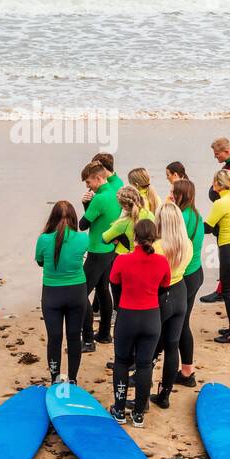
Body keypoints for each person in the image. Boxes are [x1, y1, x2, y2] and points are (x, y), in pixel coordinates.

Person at [108, 219, 170, 427]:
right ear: (154, 238)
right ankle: (138, 414)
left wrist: (119, 305)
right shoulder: (162, 261)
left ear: (134, 237)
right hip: (151, 318)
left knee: (121, 362)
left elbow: (113, 284)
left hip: (128, 316)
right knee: (144, 365)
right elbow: (164, 288)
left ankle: (119, 409)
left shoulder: (122, 260)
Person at [35, 200, 90, 384]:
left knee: (55, 338)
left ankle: (55, 379)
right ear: (74, 218)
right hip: (77, 293)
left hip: (52, 294)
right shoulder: (83, 238)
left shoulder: (43, 239)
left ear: (53, 217)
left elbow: (40, 262)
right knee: (75, 337)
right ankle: (73, 380)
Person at [151, 203, 193, 409]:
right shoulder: (187, 244)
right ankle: (164, 395)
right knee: (172, 346)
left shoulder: (157, 247)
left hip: (162, 296)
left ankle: (142, 389)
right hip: (180, 292)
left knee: (150, 346)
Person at [77, 160, 121, 350]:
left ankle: (88, 339)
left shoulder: (100, 198)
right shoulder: (113, 192)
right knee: (103, 290)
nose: (88, 186)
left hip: (97, 250)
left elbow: (83, 224)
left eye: (88, 182)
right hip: (110, 249)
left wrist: (85, 203)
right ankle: (104, 334)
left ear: (98, 178)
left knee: (81, 293)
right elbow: (99, 219)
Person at [201, 138, 230, 303]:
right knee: (224, 255)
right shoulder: (229, 165)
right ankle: (223, 288)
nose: (215, 157)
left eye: (217, 154)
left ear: (226, 151)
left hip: (227, 214)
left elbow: (228, 187)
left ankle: (222, 290)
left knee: (226, 256)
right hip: (225, 211)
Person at [204, 169, 230, 343]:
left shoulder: (221, 203)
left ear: (218, 185)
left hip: (229, 249)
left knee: (228, 292)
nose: (212, 185)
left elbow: (207, 227)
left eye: (213, 182)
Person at [170, 178, 204, 386]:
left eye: (174, 192)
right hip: (196, 272)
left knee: (177, 325)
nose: (171, 195)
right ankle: (187, 371)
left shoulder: (180, 217)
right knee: (184, 323)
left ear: (182, 195)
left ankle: (182, 372)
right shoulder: (197, 215)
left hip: (184, 276)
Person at [103, 186, 156, 254]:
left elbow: (104, 239)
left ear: (125, 206)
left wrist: (119, 237)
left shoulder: (123, 223)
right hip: (149, 253)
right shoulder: (150, 214)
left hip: (126, 256)